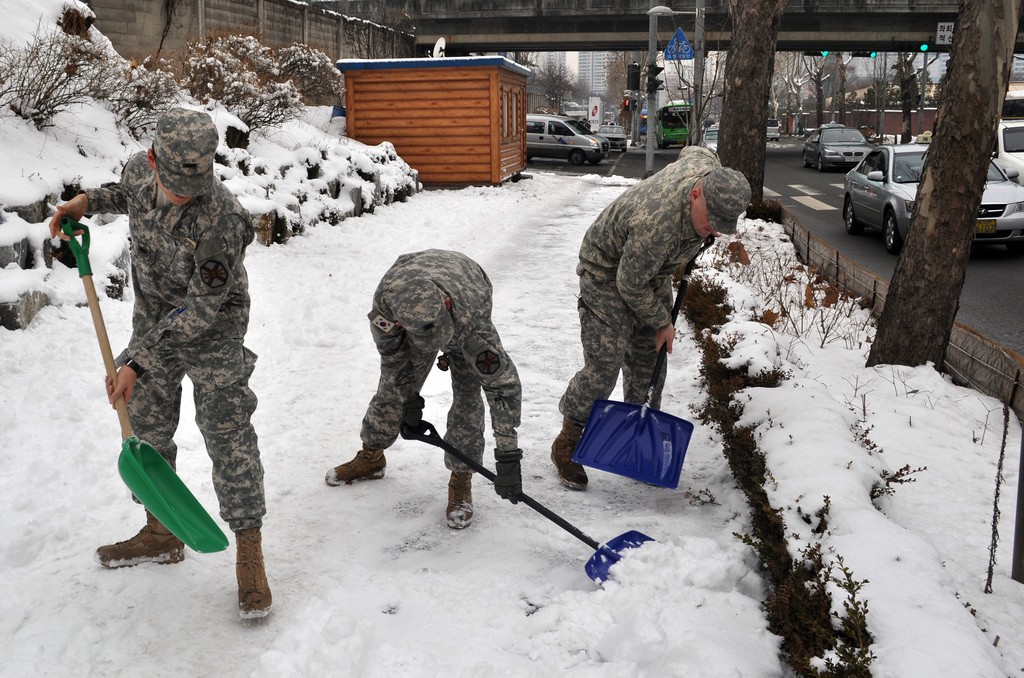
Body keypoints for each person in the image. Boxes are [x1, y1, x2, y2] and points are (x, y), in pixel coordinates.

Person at [48, 108, 272, 619]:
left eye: (191, 187)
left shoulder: (223, 220)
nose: (181, 195)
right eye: (172, 186)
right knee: (145, 426)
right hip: (152, 320)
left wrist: (138, 361)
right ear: (153, 160)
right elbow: (123, 192)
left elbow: (200, 309)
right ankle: (161, 530)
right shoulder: (138, 170)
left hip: (211, 331)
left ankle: (250, 553)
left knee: (228, 435)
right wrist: (87, 201)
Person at [550, 145, 751, 490]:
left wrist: (659, 325)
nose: (715, 231)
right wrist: (662, 321)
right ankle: (567, 443)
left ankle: (636, 441)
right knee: (604, 366)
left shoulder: (707, 170)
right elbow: (629, 284)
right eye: (711, 220)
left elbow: (696, 150)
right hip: (607, 273)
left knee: (650, 362)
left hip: (650, 273)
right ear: (695, 193)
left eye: (723, 224)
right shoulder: (657, 224)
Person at [326, 249, 523, 529]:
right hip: (415, 292)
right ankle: (371, 456)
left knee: (467, 394)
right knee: (390, 389)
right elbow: (393, 360)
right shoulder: (386, 307)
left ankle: (461, 477)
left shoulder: (470, 321)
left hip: (466, 292)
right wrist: (408, 398)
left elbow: (502, 386)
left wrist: (508, 456)